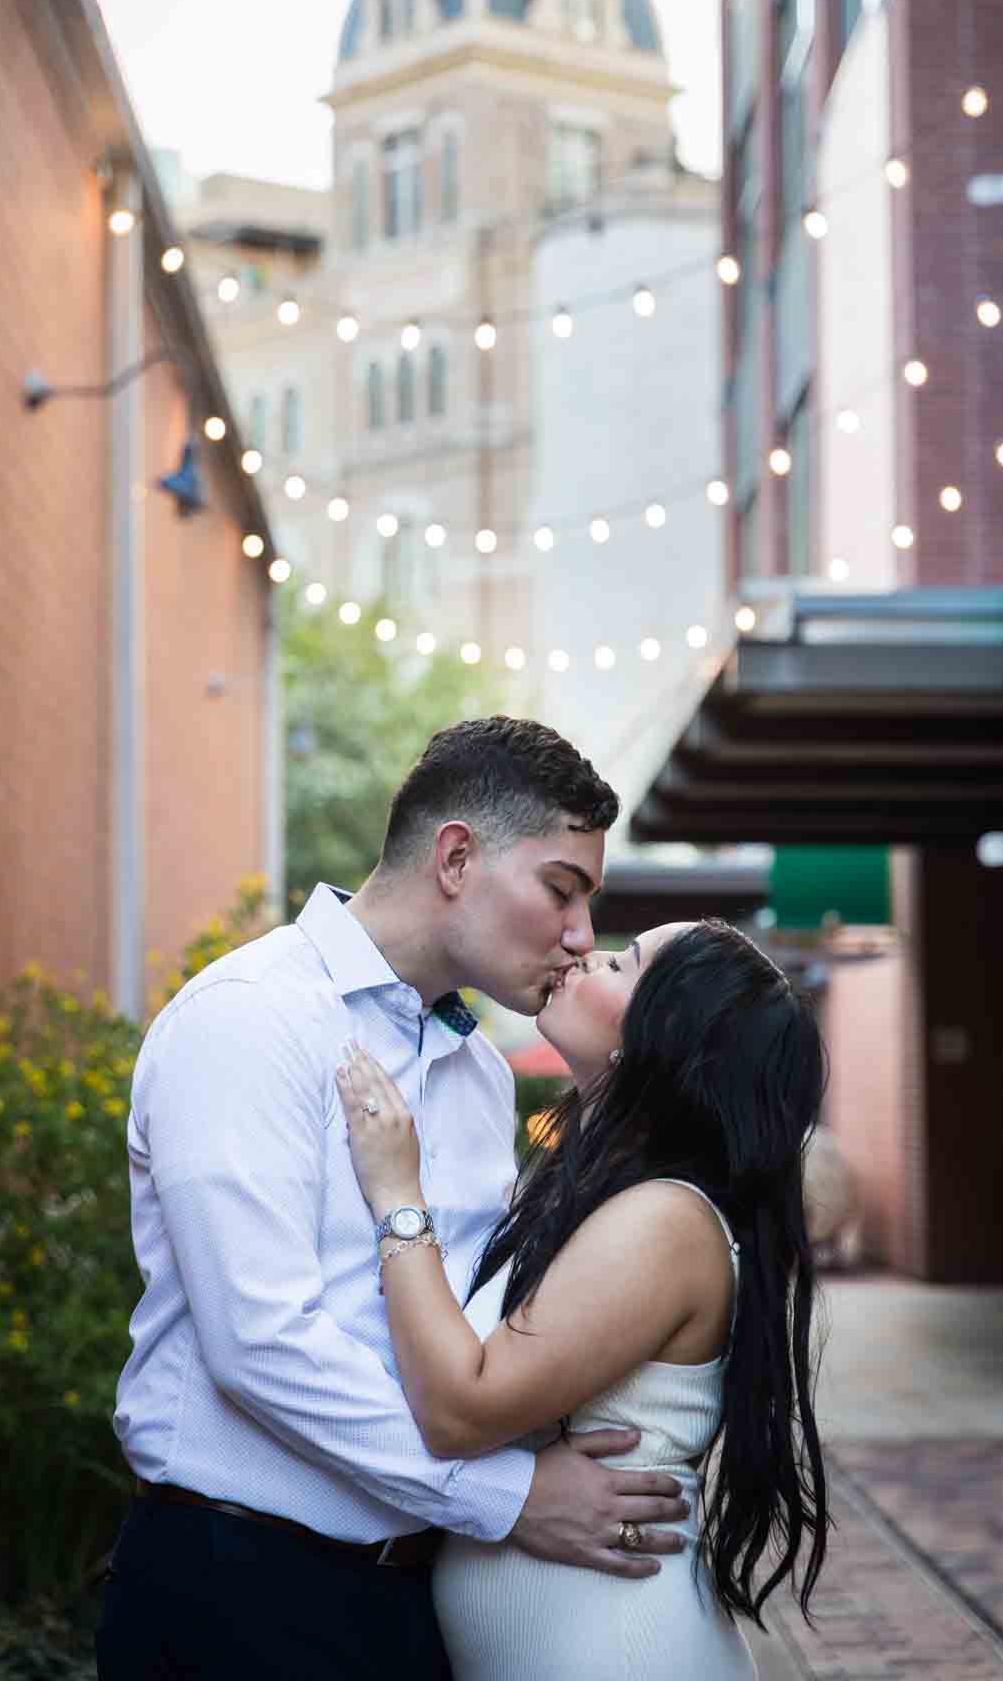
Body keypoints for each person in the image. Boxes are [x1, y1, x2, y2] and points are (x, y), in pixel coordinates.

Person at [97, 718, 692, 1681]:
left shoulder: (479, 1074)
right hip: (240, 1593)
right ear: (456, 856)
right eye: (561, 889)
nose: (581, 936)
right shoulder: (250, 1018)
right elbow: (260, 1342)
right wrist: (506, 1495)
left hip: (419, 1604)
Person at [335, 917, 830, 1680]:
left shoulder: (663, 1220)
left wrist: (399, 1197)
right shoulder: (604, 1195)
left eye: (621, 962)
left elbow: (460, 1410)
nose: (585, 952)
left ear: (662, 1035)